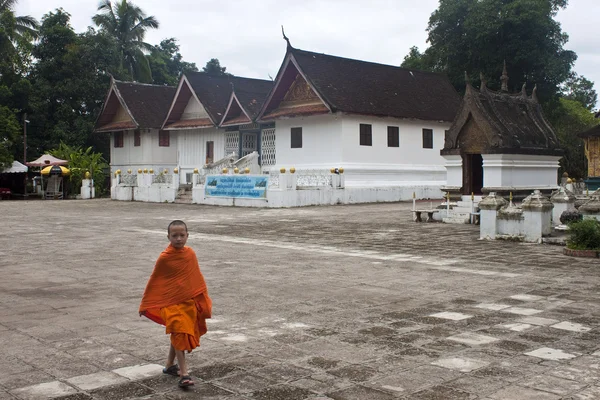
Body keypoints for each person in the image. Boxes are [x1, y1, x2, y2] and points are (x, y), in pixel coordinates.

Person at [139, 220, 212, 388]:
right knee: (179, 331)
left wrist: (200, 299)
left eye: (182, 235)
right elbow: (155, 280)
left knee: (178, 331)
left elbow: (196, 278)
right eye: (174, 236)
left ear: (187, 236)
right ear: (168, 237)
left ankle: (169, 365)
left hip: (187, 302)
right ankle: (184, 374)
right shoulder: (165, 257)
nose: (178, 239)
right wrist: (146, 303)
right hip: (170, 302)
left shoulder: (190, 254)